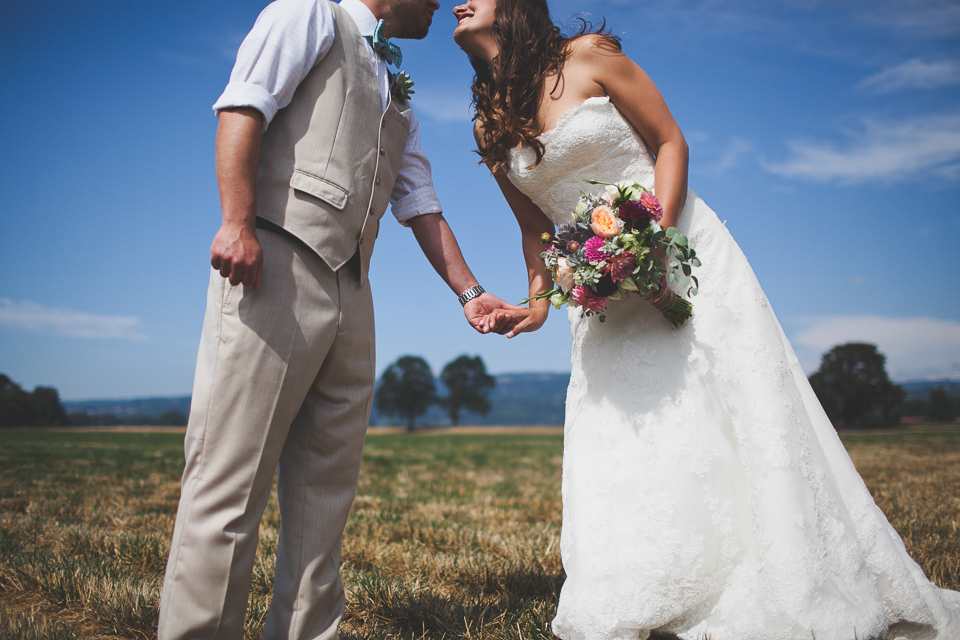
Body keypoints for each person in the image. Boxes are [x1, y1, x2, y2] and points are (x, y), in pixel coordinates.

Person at [452, 1, 960, 639]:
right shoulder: (487, 124)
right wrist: (537, 304)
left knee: (732, 404)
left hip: (682, 253)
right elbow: (537, 228)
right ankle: (652, 583)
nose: (457, 1)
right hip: (599, 296)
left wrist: (650, 245)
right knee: (627, 426)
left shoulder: (587, 59)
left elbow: (669, 142)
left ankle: (782, 570)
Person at [157, 0, 516, 638]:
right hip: (275, 265)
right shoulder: (307, 13)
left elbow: (417, 199)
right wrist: (237, 222)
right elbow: (243, 105)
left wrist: (470, 292)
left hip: (354, 287)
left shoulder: (396, 90)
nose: (439, 1)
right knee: (228, 484)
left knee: (324, 498)